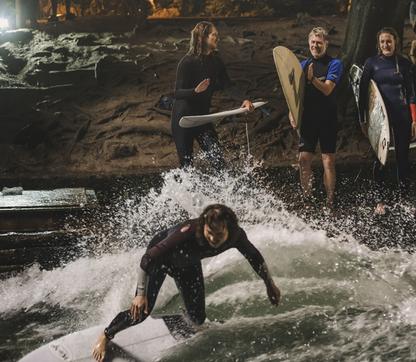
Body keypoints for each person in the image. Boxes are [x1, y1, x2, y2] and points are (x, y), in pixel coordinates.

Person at [91, 204, 281, 362]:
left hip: (187, 264)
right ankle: (106, 335)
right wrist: (140, 295)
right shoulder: (187, 233)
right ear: (203, 226)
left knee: (197, 318)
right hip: (160, 261)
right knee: (141, 313)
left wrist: (269, 284)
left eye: (219, 234)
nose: (214, 239)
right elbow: (148, 259)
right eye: (209, 233)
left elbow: (254, 257)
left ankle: (183, 315)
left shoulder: (236, 236)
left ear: (228, 228)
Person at [171, 21, 254, 169]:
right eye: (214, 35)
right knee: (186, 166)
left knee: (218, 161)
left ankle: (224, 191)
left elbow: (228, 85)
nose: (217, 38)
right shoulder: (187, 62)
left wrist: (244, 100)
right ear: (203, 38)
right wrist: (195, 91)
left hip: (202, 118)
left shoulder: (216, 61)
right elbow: (177, 93)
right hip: (184, 119)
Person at [359, 27, 416, 214]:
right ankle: (379, 201)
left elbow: (411, 94)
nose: (386, 44)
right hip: (379, 118)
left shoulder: (404, 63)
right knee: (380, 158)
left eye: (389, 41)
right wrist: (363, 120)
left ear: (395, 42)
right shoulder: (371, 64)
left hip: (401, 114)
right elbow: (362, 94)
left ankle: (404, 199)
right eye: (382, 41)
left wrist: (414, 120)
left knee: (403, 157)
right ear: (378, 43)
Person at [290, 27, 343, 208]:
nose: (315, 45)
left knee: (328, 160)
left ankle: (330, 200)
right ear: (309, 43)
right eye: (313, 42)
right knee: (303, 159)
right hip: (309, 119)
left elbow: (328, 89)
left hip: (328, 119)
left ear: (326, 43)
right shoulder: (303, 66)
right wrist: (292, 111)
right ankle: (307, 198)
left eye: (319, 42)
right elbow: (296, 94)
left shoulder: (335, 64)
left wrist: (312, 79)